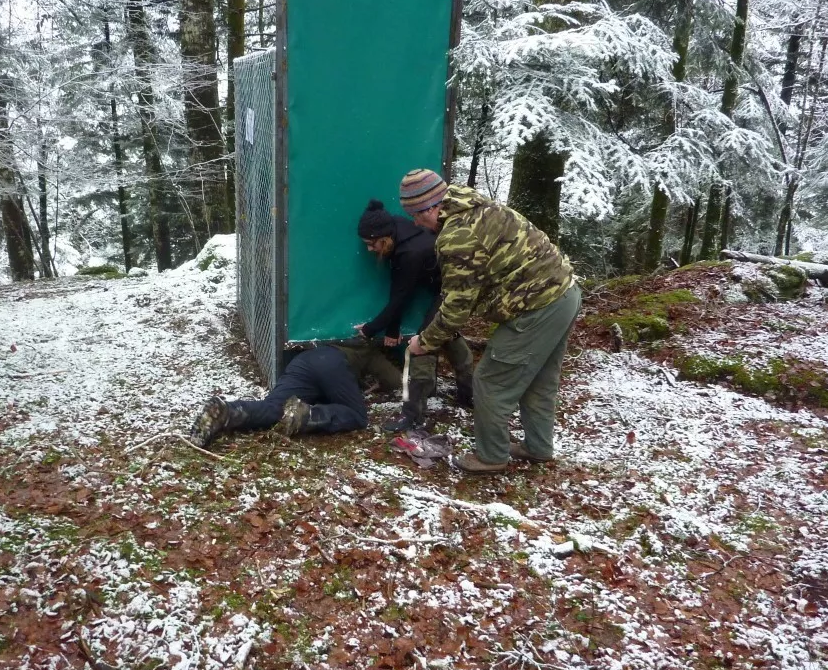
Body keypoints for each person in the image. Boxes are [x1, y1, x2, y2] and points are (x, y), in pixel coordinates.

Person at [399, 168, 581, 474]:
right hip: (564, 293)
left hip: (537, 306)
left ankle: (491, 456)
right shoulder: (476, 206)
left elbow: (457, 307)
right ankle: (537, 447)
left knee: (490, 382)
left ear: (431, 207)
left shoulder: (456, 236)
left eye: (416, 215)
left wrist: (424, 343)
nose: (416, 223)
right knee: (539, 380)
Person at [354, 198, 475, 432]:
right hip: (449, 289)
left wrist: (371, 329)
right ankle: (469, 394)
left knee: (422, 346)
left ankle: (413, 414)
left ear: (385, 239)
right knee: (445, 333)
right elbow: (400, 287)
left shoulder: (410, 251)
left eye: (371, 244)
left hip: (456, 292)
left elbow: (400, 296)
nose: (369, 249)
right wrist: (391, 328)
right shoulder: (397, 230)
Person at [190, 343, 401, 448]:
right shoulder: (369, 348)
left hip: (304, 361)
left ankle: (228, 411)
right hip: (333, 364)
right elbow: (395, 380)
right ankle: (308, 416)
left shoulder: (330, 329)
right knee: (357, 416)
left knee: (275, 407)